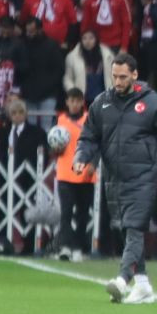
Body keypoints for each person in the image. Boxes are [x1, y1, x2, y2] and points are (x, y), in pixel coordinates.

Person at [74, 53, 157, 305]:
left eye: (123, 77)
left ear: (135, 75)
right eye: (114, 76)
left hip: (144, 176)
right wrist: (82, 156)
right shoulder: (102, 103)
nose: (117, 81)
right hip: (114, 177)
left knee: (134, 227)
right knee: (125, 230)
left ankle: (122, 280)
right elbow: (89, 135)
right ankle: (143, 284)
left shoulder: (152, 103)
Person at [54, 88, 95, 262]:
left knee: (83, 214)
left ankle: (78, 247)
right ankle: (64, 247)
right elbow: (53, 144)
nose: (75, 104)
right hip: (65, 172)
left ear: (82, 102)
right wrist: (55, 147)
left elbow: (97, 143)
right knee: (66, 213)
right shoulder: (60, 120)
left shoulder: (89, 120)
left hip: (85, 174)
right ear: (67, 102)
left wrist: (94, 163)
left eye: (78, 101)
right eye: (72, 100)